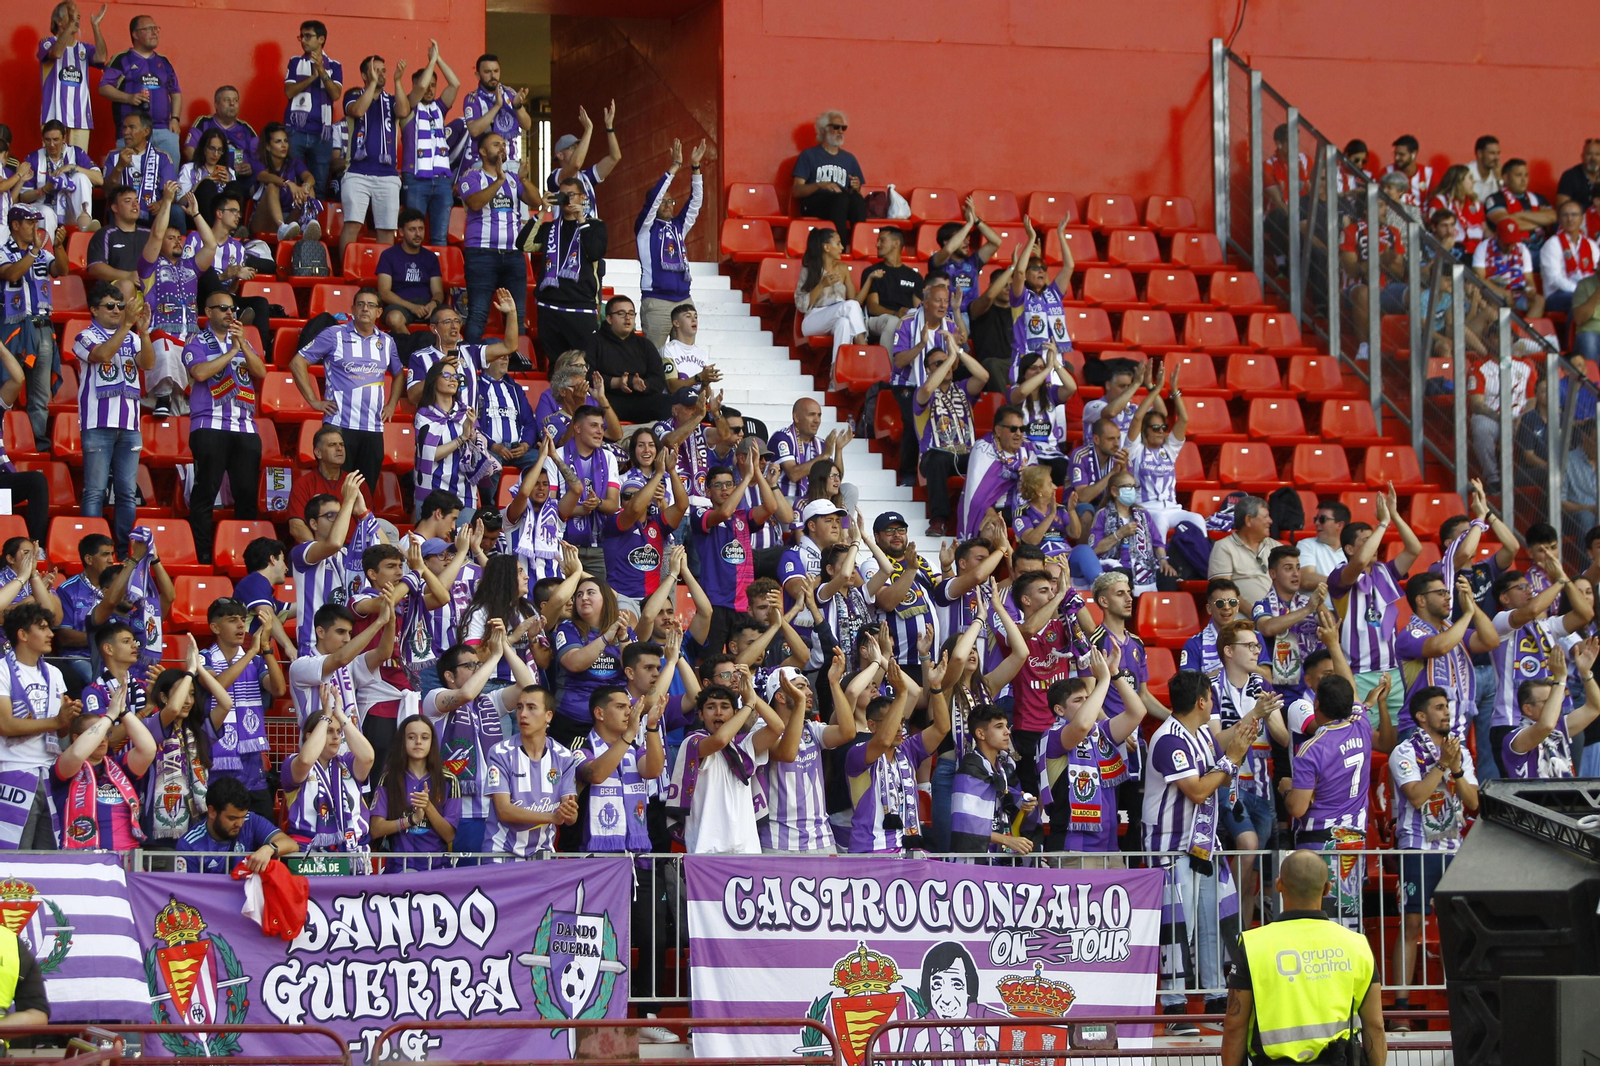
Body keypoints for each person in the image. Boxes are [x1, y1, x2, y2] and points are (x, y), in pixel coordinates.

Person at [1144, 669, 1257, 1032]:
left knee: (1212, 923)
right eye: (1211, 698)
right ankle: (1175, 1009)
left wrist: (1235, 748)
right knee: (1178, 927)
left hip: (1203, 846)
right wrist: (1232, 759)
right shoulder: (1167, 740)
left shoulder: (1199, 736)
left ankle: (1215, 999)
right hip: (1171, 849)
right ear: (1202, 701)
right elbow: (1196, 790)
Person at [1222, 849, 1386, 1066]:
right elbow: (1375, 1025)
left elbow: (1235, 1025)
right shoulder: (1356, 944)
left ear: (1279, 884)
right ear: (1328, 888)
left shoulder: (1253, 944)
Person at [1387, 686, 1478, 1026]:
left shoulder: (1460, 752)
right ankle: (1401, 1009)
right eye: (1439, 708)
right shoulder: (1404, 751)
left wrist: (1455, 769)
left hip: (1452, 848)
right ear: (1422, 716)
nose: (1447, 713)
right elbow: (1417, 797)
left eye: (1448, 707)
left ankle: (1464, 1003)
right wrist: (1443, 765)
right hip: (1417, 847)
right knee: (1411, 924)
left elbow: (1473, 803)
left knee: (1459, 928)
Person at [1287, 673, 1395, 926]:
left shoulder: (1311, 749)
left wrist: (1286, 790)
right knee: (1350, 919)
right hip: (1354, 840)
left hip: (1319, 841)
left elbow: (1298, 807)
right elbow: (1359, 701)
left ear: (1316, 705)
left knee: (1317, 921)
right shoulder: (1361, 725)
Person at [1209, 620, 1288, 928]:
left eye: (1257, 645)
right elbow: (1216, 741)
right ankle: (1222, 915)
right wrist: (1254, 714)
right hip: (1227, 785)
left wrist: (1269, 714)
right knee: (1248, 845)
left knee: (1251, 867)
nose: (1257, 651)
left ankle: (1240, 942)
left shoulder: (1262, 687)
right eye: (1250, 646)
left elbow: (1282, 738)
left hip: (1261, 787)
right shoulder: (1212, 686)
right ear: (1229, 651)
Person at [1486, 551, 1594, 771]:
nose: (1530, 591)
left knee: (1560, 785)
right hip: (1512, 721)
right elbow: (1532, 609)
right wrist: (1560, 581)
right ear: (1504, 598)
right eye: (1521, 588)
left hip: (1552, 720)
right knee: (1519, 794)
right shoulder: (1500, 621)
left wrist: (1563, 578)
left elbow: (1585, 615)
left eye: (1529, 586)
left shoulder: (1547, 626)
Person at [292, 287, 403, 489]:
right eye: (360, 304)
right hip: (338, 426)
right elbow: (297, 362)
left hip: (373, 428)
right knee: (335, 490)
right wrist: (313, 401)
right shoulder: (334, 334)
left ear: (379, 312)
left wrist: (392, 404)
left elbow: (398, 374)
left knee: (365, 491)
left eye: (370, 305)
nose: (365, 309)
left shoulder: (387, 342)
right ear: (352, 309)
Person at [1328, 486, 1420, 728]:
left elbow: (1414, 549)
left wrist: (1394, 516)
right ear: (1349, 549)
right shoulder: (1339, 576)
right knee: (1364, 736)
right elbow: (1359, 561)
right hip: (1357, 674)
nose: (1376, 545)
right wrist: (1382, 525)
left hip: (1391, 672)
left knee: (1401, 737)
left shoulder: (1385, 571)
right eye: (1367, 541)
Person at [74, 281, 154, 551]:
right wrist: (126, 327)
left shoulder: (131, 335)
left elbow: (148, 364)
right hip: (97, 423)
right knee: (95, 491)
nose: (117, 310)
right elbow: (102, 354)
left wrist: (143, 333)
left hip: (130, 423)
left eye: (121, 306)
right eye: (110, 306)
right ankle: (91, 550)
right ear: (94, 310)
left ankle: (122, 550)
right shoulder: (84, 336)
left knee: (127, 494)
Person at [0, 603, 73, 850]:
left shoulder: (54, 673)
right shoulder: (2, 670)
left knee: (48, 857)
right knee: (14, 856)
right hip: (13, 772)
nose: (51, 634)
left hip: (49, 772)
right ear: (22, 634)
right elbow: (5, 725)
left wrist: (68, 717)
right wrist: (56, 721)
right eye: (42, 628)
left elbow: (61, 732)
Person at [1398, 571, 1499, 740]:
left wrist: (1472, 606)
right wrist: (1467, 614)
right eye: (1440, 593)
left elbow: (1491, 641)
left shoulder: (1452, 631)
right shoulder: (1409, 634)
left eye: (1447, 592)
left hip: (1454, 729)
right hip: (1418, 730)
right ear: (1421, 600)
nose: (1448, 598)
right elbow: (1440, 647)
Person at [54, 687, 157, 850]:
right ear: (76, 738)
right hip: (81, 861)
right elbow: (77, 754)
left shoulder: (119, 765)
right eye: (96, 733)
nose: (102, 739)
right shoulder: (66, 766)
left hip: (125, 861)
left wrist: (122, 712)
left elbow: (148, 749)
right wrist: (109, 716)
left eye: (106, 733)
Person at [289, 474, 381, 656]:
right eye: (331, 515)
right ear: (313, 523)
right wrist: (348, 501)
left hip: (347, 645)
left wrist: (362, 511)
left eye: (340, 515)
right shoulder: (302, 552)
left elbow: (384, 552)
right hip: (314, 647)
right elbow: (333, 544)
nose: (340, 519)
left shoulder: (348, 555)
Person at [484, 685, 579, 857]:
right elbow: (504, 811)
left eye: (531, 708)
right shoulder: (500, 753)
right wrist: (552, 817)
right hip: (501, 854)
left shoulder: (564, 756)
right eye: (520, 707)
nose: (523, 714)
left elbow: (570, 819)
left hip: (543, 855)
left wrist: (569, 812)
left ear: (548, 716)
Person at [0, 206, 68, 444]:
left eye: (36, 222)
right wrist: (34, 251)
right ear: (15, 225)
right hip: (14, 327)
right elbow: (11, 274)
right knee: (6, 383)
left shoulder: (41, 253)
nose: (34, 227)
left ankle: (36, 444)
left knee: (40, 395)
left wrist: (58, 247)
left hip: (42, 327)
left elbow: (61, 270)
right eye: (29, 222)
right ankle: (4, 441)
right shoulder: (3, 251)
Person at [916, 335, 989, 537]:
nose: (945, 366)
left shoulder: (963, 388)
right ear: (928, 369)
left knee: (986, 456)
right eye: (938, 363)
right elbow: (929, 388)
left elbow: (983, 377)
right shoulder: (923, 392)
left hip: (965, 452)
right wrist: (950, 358)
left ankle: (983, 516)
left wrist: (959, 352)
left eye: (947, 361)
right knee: (938, 460)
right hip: (935, 453)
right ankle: (939, 520)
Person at [340, 54, 412, 260]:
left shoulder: (390, 99)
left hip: (387, 174)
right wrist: (371, 84)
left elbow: (404, 110)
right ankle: (347, 270)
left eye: (383, 70)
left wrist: (398, 81)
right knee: (352, 224)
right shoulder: (353, 96)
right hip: (357, 172)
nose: (380, 74)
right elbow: (358, 109)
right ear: (364, 74)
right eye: (375, 70)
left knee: (387, 229)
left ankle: (384, 277)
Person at [286, 687, 374, 854]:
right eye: (329, 731)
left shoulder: (347, 762)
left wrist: (341, 716)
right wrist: (326, 716)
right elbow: (305, 760)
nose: (336, 737)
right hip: (308, 851)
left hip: (353, 849)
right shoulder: (293, 762)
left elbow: (368, 757)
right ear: (310, 736)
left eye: (338, 731)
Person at [636, 139, 706, 348]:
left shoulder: (678, 226)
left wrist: (695, 169)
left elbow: (695, 202)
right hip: (657, 301)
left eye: (671, 201)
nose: (668, 205)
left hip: (684, 300)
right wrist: (674, 167)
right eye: (663, 201)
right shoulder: (645, 228)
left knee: (685, 359)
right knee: (655, 360)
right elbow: (654, 200)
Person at [530, 172, 608, 358]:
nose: (566, 199)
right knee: (556, 367)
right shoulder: (551, 228)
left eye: (571, 194)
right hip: (549, 307)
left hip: (580, 307)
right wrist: (542, 211)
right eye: (562, 195)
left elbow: (595, 253)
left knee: (584, 365)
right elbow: (524, 244)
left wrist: (581, 220)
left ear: (584, 197)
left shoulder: (596, 226)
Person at [369, 714, 459, 870]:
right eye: (411, 737)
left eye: (425, 737)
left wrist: (428, 807)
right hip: (398, 869)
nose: (418, 742)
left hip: (436, 870)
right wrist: (410, 820)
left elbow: (449, 835)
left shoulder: (448, 780)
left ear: (432, 742)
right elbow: (376, 829)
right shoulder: (389, 778)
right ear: (402, 741)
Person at [1503, 642, 1600, 779]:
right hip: (1532, 800)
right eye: (1548, 701)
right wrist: (1560, 679)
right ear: (1528, 709)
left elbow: (1595, 708)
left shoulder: (1559, 728)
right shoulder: (1514, 738)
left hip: (1567, 798)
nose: (1556, 705)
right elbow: (1545, 726)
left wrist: (1585, 673)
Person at [951, 702, 1037, 855]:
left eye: (1006, 726)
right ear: (980, 734)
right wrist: (1006, 840)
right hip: (974, 865)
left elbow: (1009, 802)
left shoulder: (1001, 768)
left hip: (997, 858)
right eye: (999, 727)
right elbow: (966, 826)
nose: (1007, 732)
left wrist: (1024, 805)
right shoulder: (970, 769)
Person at [414, 358, 496, 512]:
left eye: (456, 376)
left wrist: (471, 435)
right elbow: (430, 454)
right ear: (433, 380)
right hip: (432, 493)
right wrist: (461, 439)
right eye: (446, 375)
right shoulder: (425, 415)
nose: (453, 379)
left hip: (464, 494)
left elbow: (480, 451)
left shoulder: (466, 412)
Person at [401, 42, 462, 246]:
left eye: (433, 86)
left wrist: (438, 59)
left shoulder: (439, 108)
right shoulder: (408, 106)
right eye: (427, 84)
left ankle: (438, 277)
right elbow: (419, 87)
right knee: (413, 236)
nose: (429, 89)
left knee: (439, 238)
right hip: (417, 178)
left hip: (443, 180)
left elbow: (455, 84)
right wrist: (431, 62)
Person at [176, 773, 298, 874]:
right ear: (212, 812)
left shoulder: (251, 821)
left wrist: (269, 849)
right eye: (232, 818)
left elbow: (291, 844)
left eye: (243, 816)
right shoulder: (189, 845)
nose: (239, 824)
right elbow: (187, 893)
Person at [100, 14, 182, 164]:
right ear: (135, 34)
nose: (155, 32)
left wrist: (175, 119)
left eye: (156, 29)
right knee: (129, 178)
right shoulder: (122, 59)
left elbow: (175, 92)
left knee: (169, 179)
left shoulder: (163, 62)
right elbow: (104, 87)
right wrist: (129, 98)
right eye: (149, 29)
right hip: (131, 132)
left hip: (163, 130)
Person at [956, 405, 1036, 539]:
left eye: (1022, 429)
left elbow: (1039, 484)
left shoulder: (1028, 449)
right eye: (1013, 429)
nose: (1018, 433)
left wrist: (1030, 475)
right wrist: (990, 511)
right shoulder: (984, 449)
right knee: (990, 531)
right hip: (994, 509)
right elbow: (977, 493)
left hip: (1024, 509)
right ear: (998, 430)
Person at [283, 20, 344, 196]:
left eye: (308, 36)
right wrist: (312, 77)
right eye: (301, 36)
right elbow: (288, 92)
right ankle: (293, 222)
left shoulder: (334, 66)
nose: (303, 40)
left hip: (321, 133)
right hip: (296, 130)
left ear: (321, 39)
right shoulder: (295, 62)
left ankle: (314, 222)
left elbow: (335, 94)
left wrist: (322, 72)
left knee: (318, 185)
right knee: (292, 181)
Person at [588, 295, 671, 423]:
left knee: (669, 402)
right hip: (607, 399)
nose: (628, 318)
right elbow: (587, 377)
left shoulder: (645, 345)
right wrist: (617, 382)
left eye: (631, 314)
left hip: (641, 399)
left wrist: (644, 385)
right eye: (621, 314)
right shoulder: (594, 342)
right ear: (609, 318)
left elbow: (659, 379)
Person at [39, 1, 109, 147]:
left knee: (78, 166)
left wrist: (96, 27)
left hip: (81, 118)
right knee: (53, 164)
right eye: (71, 16)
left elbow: (101, 57)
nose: (76, 20)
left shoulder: (84, 48)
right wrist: (70, 26)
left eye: (77, 17)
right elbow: (57, 53)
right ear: (58, 22)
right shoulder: (48, 42)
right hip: (54, 117)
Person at [286, 427, 373, 543]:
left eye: (341, 444)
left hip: (352, 551)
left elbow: (369, 522)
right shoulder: (303, 484)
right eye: (332, 445)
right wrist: (319, 552)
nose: (339, 449)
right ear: (318, 453)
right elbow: (296, 526)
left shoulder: (356, 483)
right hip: (318, 549)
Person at [1009, 218, 1075, 370]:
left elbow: (1069, 266)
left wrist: (1060, 235)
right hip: (1027, 357)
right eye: (1035, 268)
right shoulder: (1020, 296)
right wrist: (1031, 239)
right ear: (1026, 274)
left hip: (1054, 356)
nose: (1041, 271)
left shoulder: (1053, 293)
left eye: (1044, 268)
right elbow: (1019, 271)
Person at [791, 110, 865, 241]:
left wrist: (856, 187)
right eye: (836, 127)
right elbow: (796, 191)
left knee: (857, 201)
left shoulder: (849, 159)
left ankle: (861, 247)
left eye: (844, 128)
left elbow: (858, 193)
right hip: (815, 203)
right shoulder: (809, 155)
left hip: (841, 204)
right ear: (824, 129)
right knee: (841, 199)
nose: (840, 131)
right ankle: (838, 251)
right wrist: (820, 184)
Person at [795, 227, 867, 361]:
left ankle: (837, 371)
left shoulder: (843, 268)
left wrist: (867, 280)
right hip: (813, 320)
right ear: (827, 247)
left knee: (844, 323)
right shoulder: (809, 269)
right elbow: (801, 305)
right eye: (838, 243)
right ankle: (863, 345)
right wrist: (821, 285)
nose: (842, 247)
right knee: (849, 307)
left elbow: (854, 301)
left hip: (837, 315)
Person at [19, 121, 103, 235]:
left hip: (70, 209)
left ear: (64, 138)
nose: (51, 144)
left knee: (80, 177)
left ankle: (85, 226)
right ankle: (48, 251)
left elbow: (99, 179)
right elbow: (23, 197)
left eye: (56, 139)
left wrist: (73, 167)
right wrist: (44, 189)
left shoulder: (76, 153)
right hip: (43, 206)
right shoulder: (34, 158)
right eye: (47, 140)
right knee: (46, 213)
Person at [1091, 469, 1167, 594]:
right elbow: (1095, 549)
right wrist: (1119, 534)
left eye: (1134, 487)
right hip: (1116, 564)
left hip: (1144, 563)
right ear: (1114, 491)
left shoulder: (1143, 514)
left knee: (1167, 576)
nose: (1132, 490)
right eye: (1128, 487)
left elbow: (1157, 544)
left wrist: (1163, 560)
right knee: (1122, 577)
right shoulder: (1102, 515)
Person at [927, 196, 1003, 315]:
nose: (967, 242)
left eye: (967, 237)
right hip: (946, 315)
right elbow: (948, 250)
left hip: (972, 316)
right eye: (962, 238)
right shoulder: (938, 261)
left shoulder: (973, 262)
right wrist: (969, 224)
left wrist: (976, 220)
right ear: (946, 241)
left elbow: (996, 242)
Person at [462, 55, 534, 177]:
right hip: (482, 163)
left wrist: (517, 106)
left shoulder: (510, 93)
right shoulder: (473, 98)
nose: (493, 76)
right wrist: (496, 106)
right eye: (487, 72)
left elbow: (527, 125)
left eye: (496, 71)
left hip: (510, 163)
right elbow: (474, 130)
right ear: (478, 75)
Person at [377, 208, 445, 335]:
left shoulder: (431, 257)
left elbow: (438, 291)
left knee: (451, 319)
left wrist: (433, 304)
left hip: (426, 305)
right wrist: (411, 307)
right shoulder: (388, 255)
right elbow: (384, 292)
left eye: (421, 229)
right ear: (401, 232)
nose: (418, 234)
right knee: (394, 319)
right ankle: (413, 350)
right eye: (412, 229)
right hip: (400, 304)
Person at [547, 101, 619, 220]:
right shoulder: (555, 176)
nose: (577, 150)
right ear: (559, 155)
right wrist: (588, 130)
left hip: (590, 235)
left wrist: (609, 127)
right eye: (572, 148)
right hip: (568, 236)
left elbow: (614, 157)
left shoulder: (587, 176)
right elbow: (575, 164)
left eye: (578, 147)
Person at [102, 112, 175, 225]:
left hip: (153, 212)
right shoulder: (114, 156)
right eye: (124, 128)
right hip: (123, 211)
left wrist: (161, 203)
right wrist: (119, 167)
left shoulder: (162, 157)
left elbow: (172, 192)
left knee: (176, 212)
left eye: (131, 127)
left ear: (146, 131)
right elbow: (107, 192)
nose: (126, 132)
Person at [251, 123, 321, 241]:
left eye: (285, 141)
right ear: (268, 146)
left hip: (290, 222)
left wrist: (306, 186)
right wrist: (289, 183)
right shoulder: (259, 162)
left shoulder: (293, 162)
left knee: (309, 189)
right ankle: (281, 227)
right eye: (278, 142)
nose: (283, 145)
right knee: (272, 187)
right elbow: (263, 176)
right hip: (264, 220)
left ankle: (309, 222)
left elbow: (309, 177)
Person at [1208, 495, 1282, 605]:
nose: (1270, 521)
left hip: (1278, 614)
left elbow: (1291, 583)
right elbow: (1223, 592)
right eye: (1265, 516)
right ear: (1248, 520)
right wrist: (1255, 614)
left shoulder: (1277, 547)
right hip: (1241, 615)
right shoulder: (1224, 547)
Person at [860, 226, 923, 348]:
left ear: (896, 243)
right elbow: (873, 307)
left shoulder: (915, 277)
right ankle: (889, 367)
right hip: (878, 320)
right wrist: (895, 313)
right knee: (892, 322)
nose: (877, 245)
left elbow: (917, 307)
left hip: (905, 320)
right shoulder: (872, 272)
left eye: (882, 240)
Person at [1484, 159, 1556, 265]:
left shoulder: (1538, 198)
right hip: (1511, 252)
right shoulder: (1496, 199)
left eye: (1526, 175)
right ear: (1505, 178)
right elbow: (1506, 223)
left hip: (1541, 251)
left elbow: (1553, 217)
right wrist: (1540, 220)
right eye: (1518, 175)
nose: (1523, 180)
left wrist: (1519, 215)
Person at [1539, 200, 1599, 314]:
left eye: (1574, 215)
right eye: (1565, 215)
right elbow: (1555, 279)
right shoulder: (1552, 244)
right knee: (1580, 299)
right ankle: (1580, 332)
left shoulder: (1591, 245)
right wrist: (1581, 291)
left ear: (1582, 219)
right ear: (1559, 219)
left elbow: (1597, 273)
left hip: (1585, 292)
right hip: (1556, 295)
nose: (1570, 219)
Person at [1425, 164, 1485, 254]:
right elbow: (1433, 228)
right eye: (1470, 178)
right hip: (1451, 252)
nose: (1474, 181)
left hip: (1476, 254)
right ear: (1459, 181)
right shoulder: (1440, 201)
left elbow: (1485, 229)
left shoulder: (1476, 204)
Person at [661, 303, 718, 391]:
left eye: (696, 317)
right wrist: (699, 377)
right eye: (688, 316)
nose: (694, 320)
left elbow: (705, 396)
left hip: (696, 403)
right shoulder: (668, 350)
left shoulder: (702, 354)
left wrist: (705, 384)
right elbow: (672, 387)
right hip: (674, 403)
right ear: (676, 323)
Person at [1297, 501, 1348, 585]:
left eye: (1322, 519)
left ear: (1339, 525)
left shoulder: (1351, 550)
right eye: (1315, 519)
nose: (1317, 523)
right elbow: (1306, 579)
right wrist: (1341, 583)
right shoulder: (1306, 544)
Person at [1385, 134, 1432, 209]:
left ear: (1414, 154)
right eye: (1395, 154)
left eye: (1401, 155)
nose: (1396, 158)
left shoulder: (1429, 174)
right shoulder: (1387, 172)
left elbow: (1435, 201)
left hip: (1422, 219)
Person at [1556, 139, 1600, 212]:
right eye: (1589, 154)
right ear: (1582, 157)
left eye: (1597, 154)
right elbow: (1562, 208)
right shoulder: (1570, 176)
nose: (1593, 158)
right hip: (1578, 220)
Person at [1467, 135, 1502, 203]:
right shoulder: (1466, 173)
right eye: (1492, 153)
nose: (1496, 158)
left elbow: (1505, 202)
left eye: (1498, 153)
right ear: (1479, 153)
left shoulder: (1498, 173)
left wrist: (1499, 180)